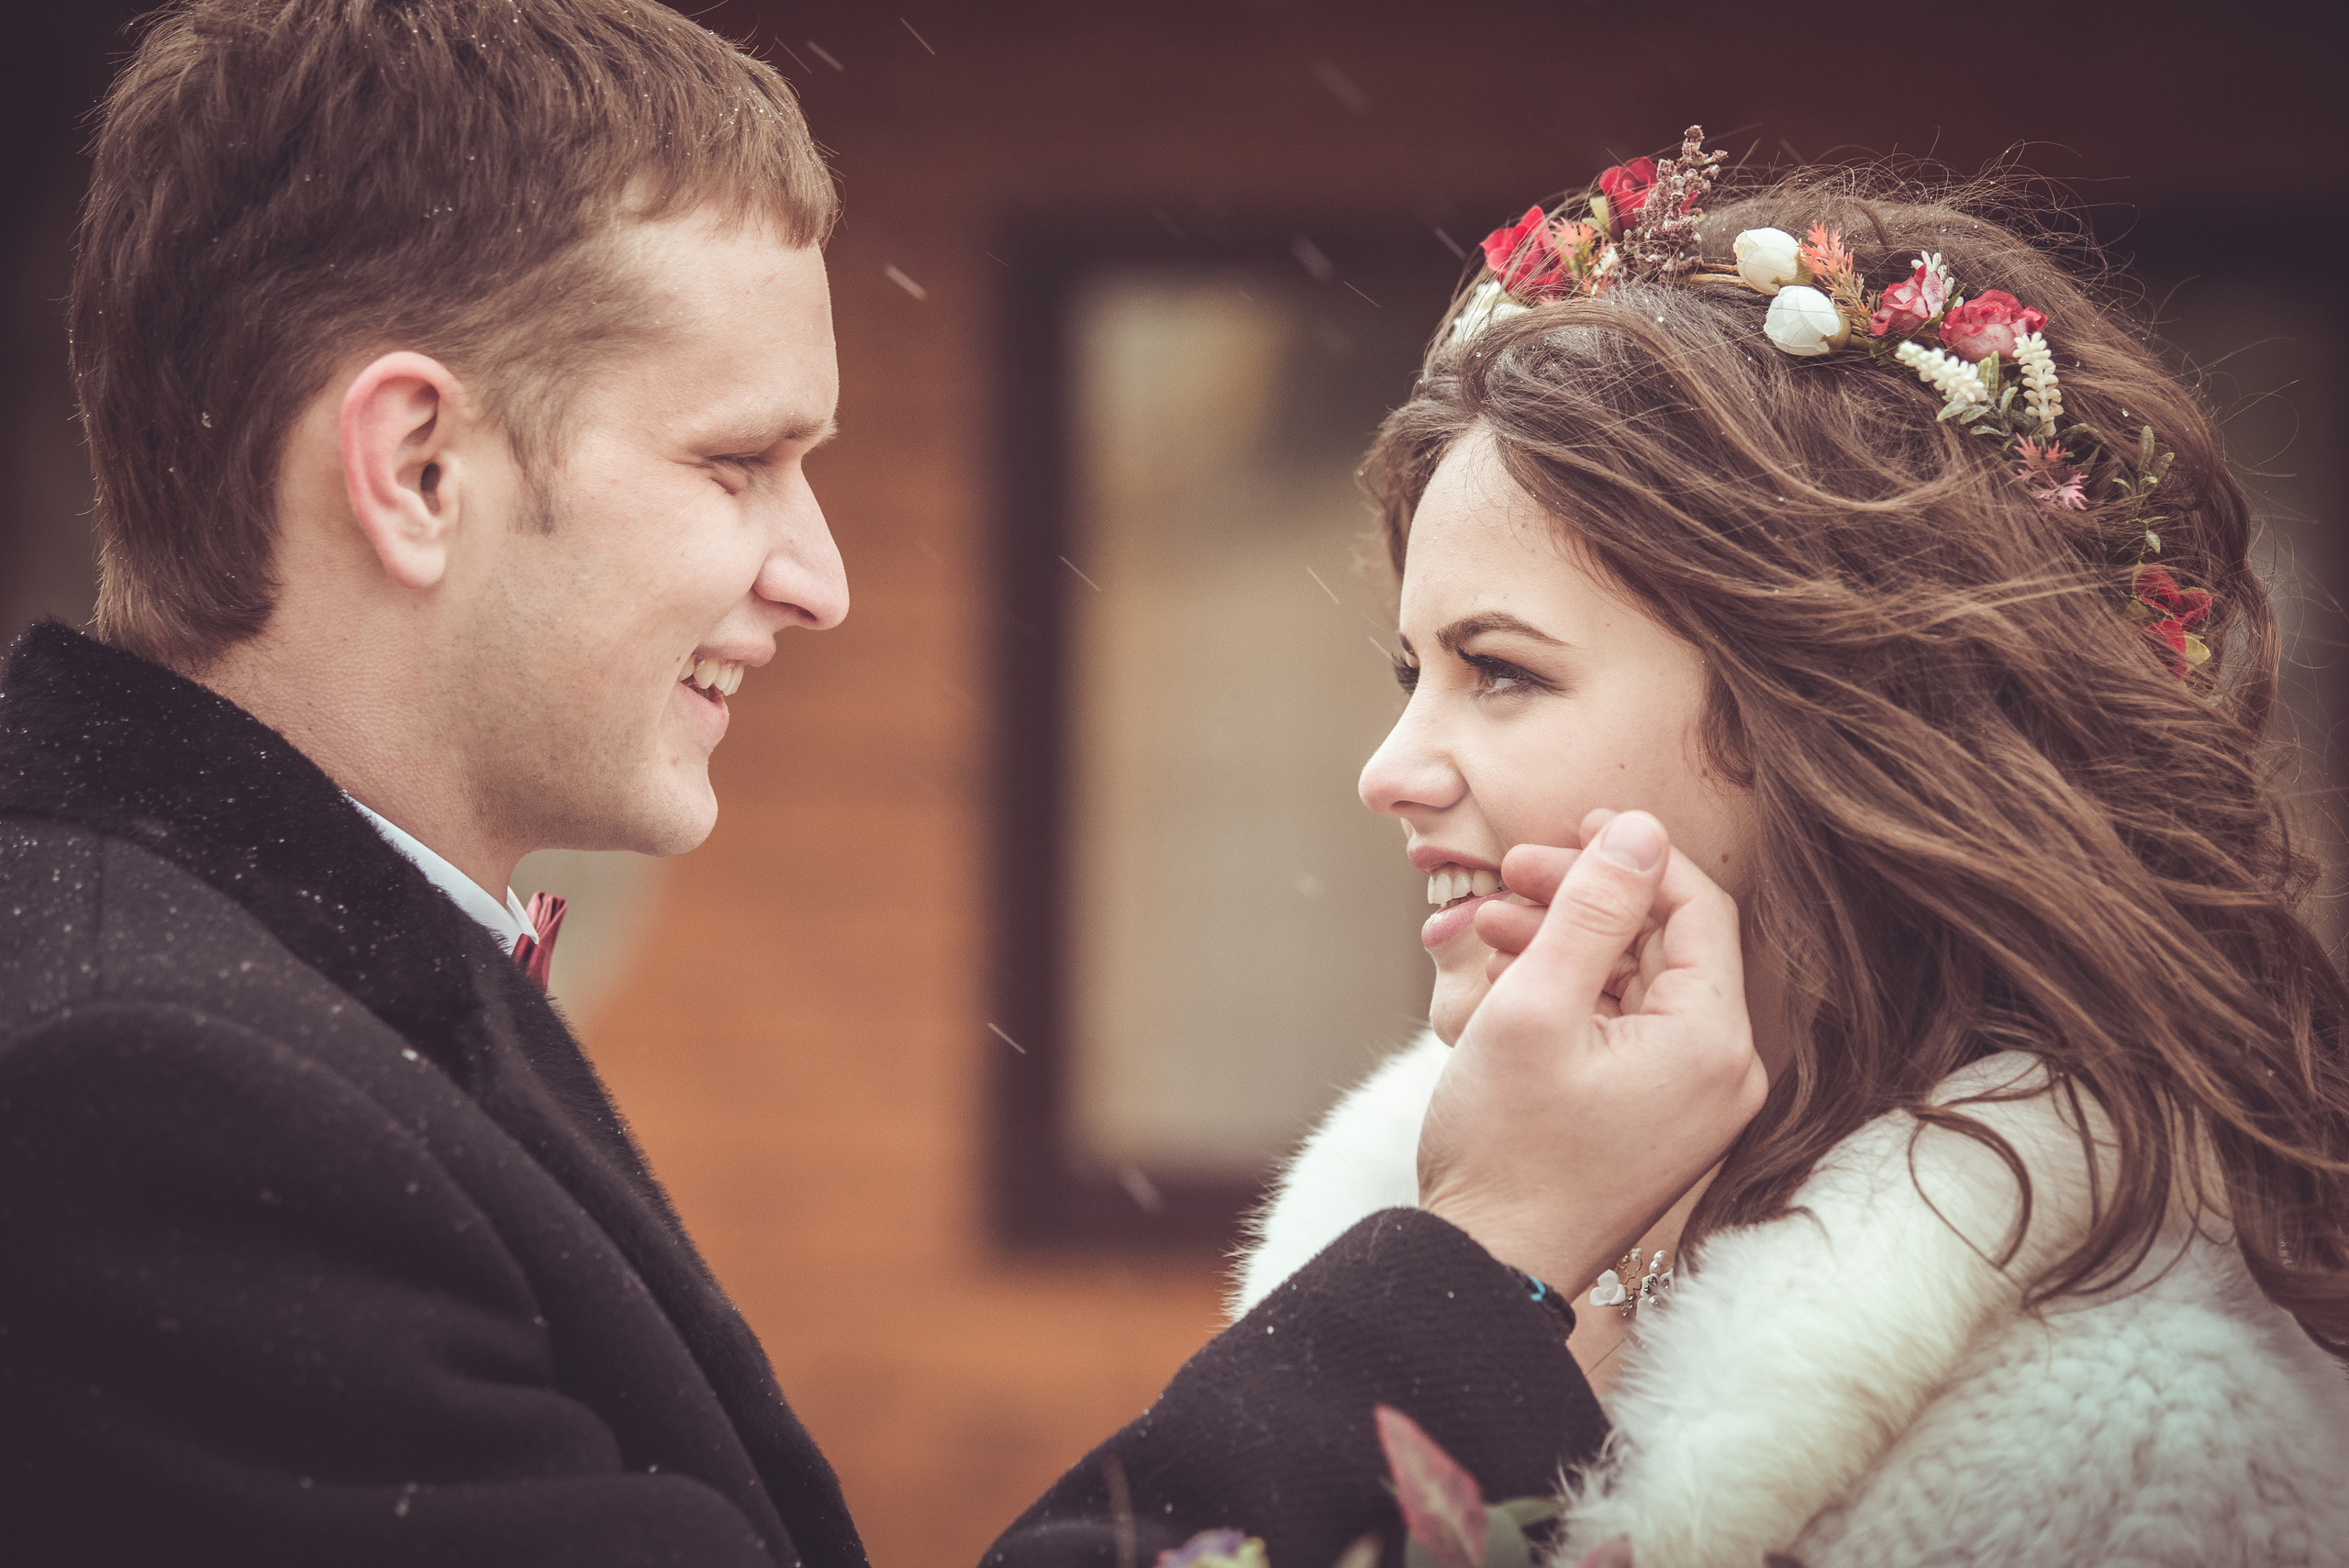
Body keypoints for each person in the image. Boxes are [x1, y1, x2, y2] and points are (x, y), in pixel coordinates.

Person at [0, 7, 1768, 1564]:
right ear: (415, 467)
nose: (819, 578)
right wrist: (1488, 1249)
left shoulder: (263, 981)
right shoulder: (147, 1096)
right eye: (738, 462)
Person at [1234, 142, 2349, 1566]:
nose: (1388, 772)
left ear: (1821, 715)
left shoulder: (2143, 1453)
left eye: (1500, 669)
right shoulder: (1401, 1219)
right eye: (1413, 673)